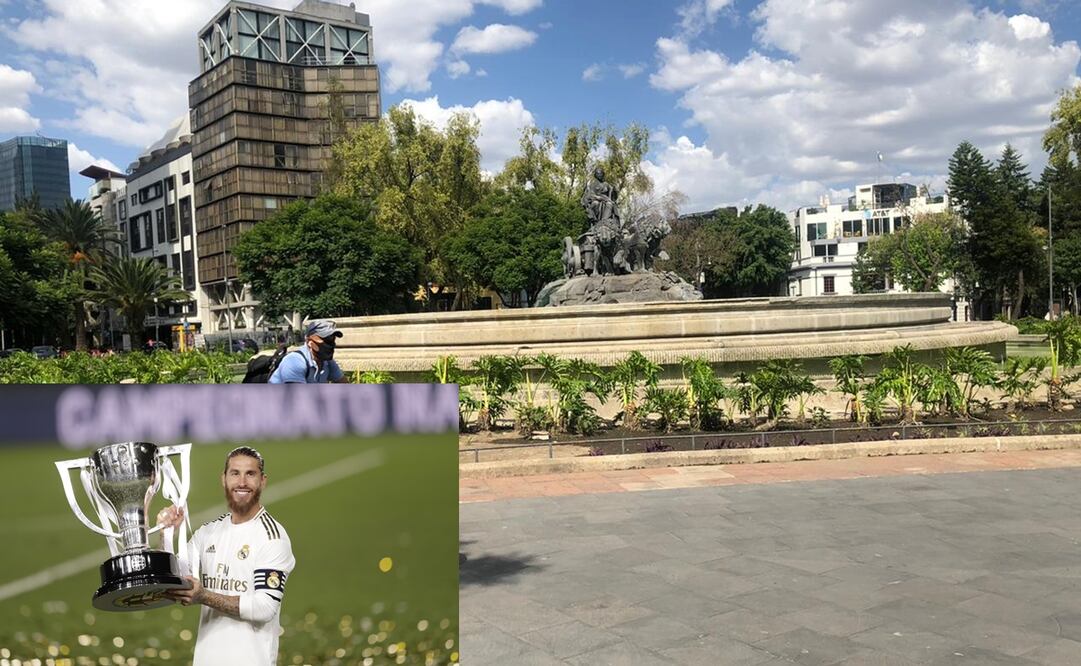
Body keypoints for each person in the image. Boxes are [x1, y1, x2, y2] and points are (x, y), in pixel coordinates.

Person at [160, 446, 295, 666]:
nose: (242, 482)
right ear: (224, 479)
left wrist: (204, 596)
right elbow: (175, 579)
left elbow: (264, 607)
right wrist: (167, 533)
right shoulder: (209, 532)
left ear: (263, 481)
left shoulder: (272, 537)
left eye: (250, 474)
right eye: (235, 473)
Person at [268, 319, 346, 383]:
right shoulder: (295, 361)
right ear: (310, 342)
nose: (331, 344)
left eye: (332, 339)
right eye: (326, 340)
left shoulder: (327, 362)